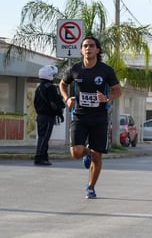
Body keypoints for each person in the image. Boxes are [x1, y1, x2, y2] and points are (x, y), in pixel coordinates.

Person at [59, 36, 122, 199]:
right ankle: (88, 153)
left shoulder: (106, 70)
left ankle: (91, 187)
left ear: (97, 50)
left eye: (92, 46)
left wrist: (107, 98)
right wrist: (67, 99)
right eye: (85, 46)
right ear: (81, 50)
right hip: (79, 116)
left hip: (99, 118)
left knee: (98, 154)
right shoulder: (75, 69)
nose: (88, 48)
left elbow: (117, 90)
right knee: (76, 152)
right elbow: (62, 84)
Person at [33, 65, 65, 166]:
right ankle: (40, 157)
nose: (54, 76)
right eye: (54, 75)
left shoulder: (39, 88)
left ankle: (42, 157)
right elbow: (55, 102)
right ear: (50, 75)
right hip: (47, 117)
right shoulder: (51, 87)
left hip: (40, 116)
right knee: (45, 138)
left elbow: (35, 103)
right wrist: (60, 113)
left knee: (42, 137)